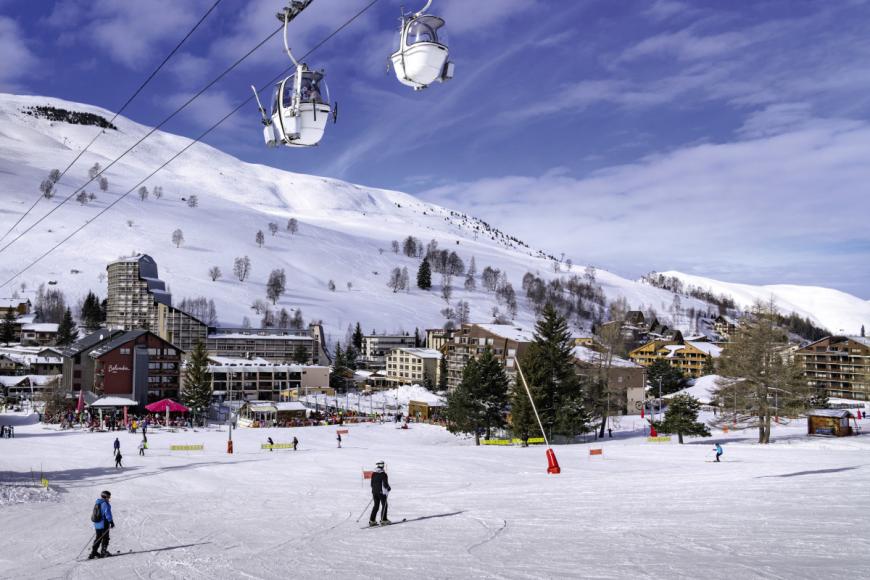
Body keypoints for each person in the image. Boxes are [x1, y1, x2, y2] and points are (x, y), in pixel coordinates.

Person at [89, 490, 115, 559]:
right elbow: (107, 514)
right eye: (109, 496)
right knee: (105, 537)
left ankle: (93, 552)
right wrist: (111, 522)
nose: (109, 498)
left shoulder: (98, 503)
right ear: (105, 496)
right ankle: (103, 552)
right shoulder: (105, 504)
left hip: (97, 523)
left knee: (98, 537)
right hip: (104, 523)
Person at [369, 460, 391, 526]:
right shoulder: (383, 474)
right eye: (381, 464)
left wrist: (374, 490)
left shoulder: (374, 473)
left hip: (374, 492)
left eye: (382, 464)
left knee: (376, 506)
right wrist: (388, 488)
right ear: (378, 465)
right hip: (381, 492)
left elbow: (372, 484)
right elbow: (385, 484)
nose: (382, 465)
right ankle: (384, 520)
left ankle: (372, 520)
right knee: (384, 505)